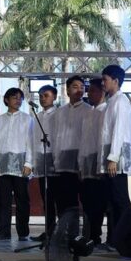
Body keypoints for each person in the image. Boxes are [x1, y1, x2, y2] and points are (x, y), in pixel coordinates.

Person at [98, 65, 131, 247]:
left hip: (117, 159)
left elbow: (119, 131)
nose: (102, 83)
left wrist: (113, 157)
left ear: (116, 81)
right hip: (111, 157)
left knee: (120, 199)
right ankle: (114, 239)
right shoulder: (111, 102)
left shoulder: (121, 101)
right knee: (112, 200)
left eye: (105, 79)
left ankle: (128, 238)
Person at [0, 88, 34, 240]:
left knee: (22, 200)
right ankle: (4, 232)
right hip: (2, 166)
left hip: (21, 165)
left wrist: (29, 162)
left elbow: (30, 142)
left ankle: (23, 232)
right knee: (4, 201)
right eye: (14, 97)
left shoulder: (27, 119)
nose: (18, 100)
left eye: (20, 98)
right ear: (6, 100)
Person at [53, 75, 90, 219]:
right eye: (75, 87)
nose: (79, 90)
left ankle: (87, 231)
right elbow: (56, 137)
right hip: (63, 162)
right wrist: (56, 160)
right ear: (67, 90)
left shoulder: (89, 110)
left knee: (86, 200)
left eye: (82, 87)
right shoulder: (60, 112)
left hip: (83, 161)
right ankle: (67, 230)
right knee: (65, 200)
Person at [80, 77, 110, 246]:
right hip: (86, 164)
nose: (89, 94)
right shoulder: (88, 113)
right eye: (88, 90)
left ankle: (97, 236)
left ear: (102, 92)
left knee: (99, 203)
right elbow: (84, 141)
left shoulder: (106, 111)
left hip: (100, 164)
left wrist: (101, 163)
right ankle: (89, 235)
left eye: (92, 90)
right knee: (87, 202)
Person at [31, 84, 61, 237]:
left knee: (57, 198)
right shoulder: (37, 116)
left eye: (46, 95)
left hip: (55, 159)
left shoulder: (59, 114)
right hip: (41, 159)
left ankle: (60, 231)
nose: (43, 99)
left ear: (54, 97)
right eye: (41, 96)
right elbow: (34, 139)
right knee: (46, 197)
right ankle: (49, 230)